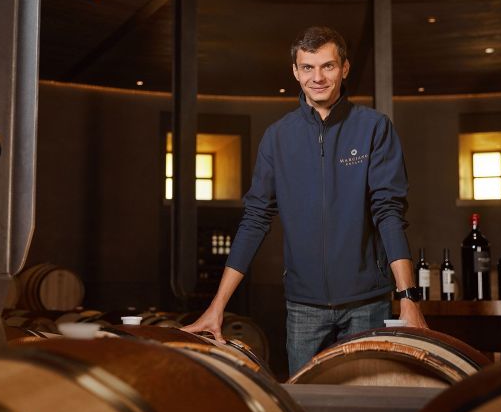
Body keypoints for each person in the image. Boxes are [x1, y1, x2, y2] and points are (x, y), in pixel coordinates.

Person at [183, 25, 427, 376]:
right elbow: (254, 220)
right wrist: (217, 306)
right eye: (308, 67)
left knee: (367, 406)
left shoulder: (374, 128)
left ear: (344, 68)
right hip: (304, 308)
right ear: (295, 72)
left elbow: (388, 213)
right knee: (307, 407)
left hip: (367, 304)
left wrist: (408, 299)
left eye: (327, 66)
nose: (318, 77)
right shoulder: (278, 137)